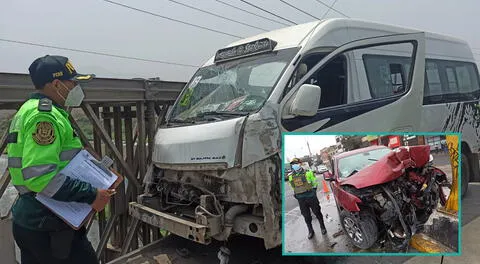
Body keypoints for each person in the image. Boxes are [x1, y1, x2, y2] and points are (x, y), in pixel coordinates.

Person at [6, 55, 114, 264]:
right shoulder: (44, 117)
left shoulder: (28, 110)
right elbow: (40, 177)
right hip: (49, 224)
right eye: (72, 83)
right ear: (56, 84)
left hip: (31, 218)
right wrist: (91, 194)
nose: (75, 88)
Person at [288, 158, 327, 239]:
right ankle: (310, 231)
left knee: (317, 212)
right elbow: (293, 187)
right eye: (293, 164)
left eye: (296, 163)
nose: (294, 165)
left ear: (300, 164)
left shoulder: (308, 173)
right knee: (306, 216)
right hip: (301, 199)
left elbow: (314, 183)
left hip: (310, 196)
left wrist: (313, 192)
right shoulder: (291, 176)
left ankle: (322, 227)